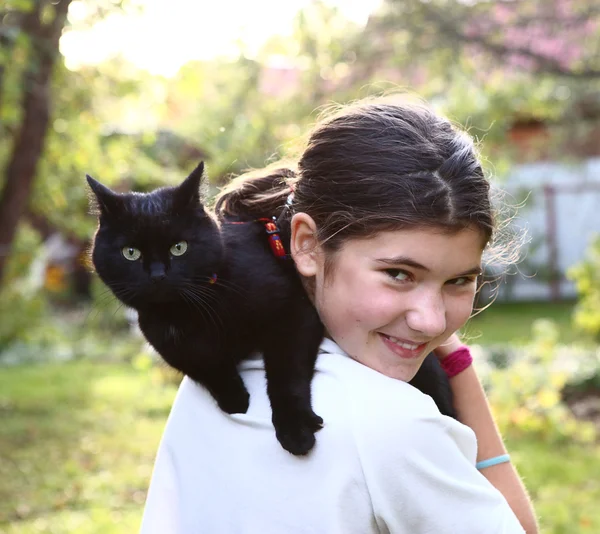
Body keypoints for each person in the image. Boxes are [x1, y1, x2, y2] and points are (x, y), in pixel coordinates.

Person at [139, 97, 538, 533]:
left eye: (458, 280)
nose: (432, 322)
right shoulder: (392, 425)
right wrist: (458, 366)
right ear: (306, 244)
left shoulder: (212, 378)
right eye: (399, 274)